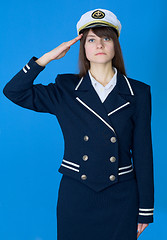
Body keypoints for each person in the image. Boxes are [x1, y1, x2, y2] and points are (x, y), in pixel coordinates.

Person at [3, 8, 154, 240]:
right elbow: (13, 91)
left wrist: (145, 210)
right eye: (91, 39)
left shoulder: (138, 92)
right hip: (77, 194)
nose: (100, 45)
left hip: (122, 195)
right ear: (83, 47)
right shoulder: (65, 89)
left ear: (115, 45)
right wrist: (46, 58)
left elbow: (143, 152)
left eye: (106, 38)